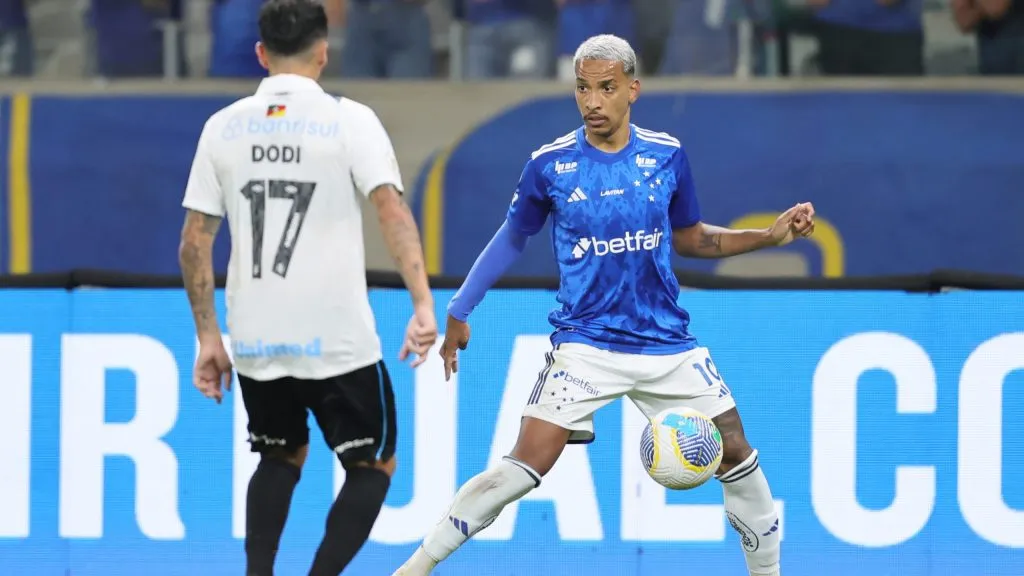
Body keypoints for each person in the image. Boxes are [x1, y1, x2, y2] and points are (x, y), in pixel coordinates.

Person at [392, 34, 815, 576]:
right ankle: (415, 569)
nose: (592, 101)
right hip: (586, 345)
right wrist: (460, 310)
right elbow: (511, 238)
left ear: (633, 90)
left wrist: (769, 236)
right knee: (523, 465)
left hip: (666, 344)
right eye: (583, 88)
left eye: (607, 88)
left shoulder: (667, 155)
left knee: (736, 451)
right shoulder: (550, 165)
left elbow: (692, 238)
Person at [177, 1, 437, 575]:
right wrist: (422, 303)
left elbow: (195, 242)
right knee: (374, 466)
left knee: (279, 453)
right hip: (336, 332)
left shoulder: (221, 127)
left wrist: (208, 337)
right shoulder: (350, 120)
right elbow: (391, 211)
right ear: (324, 50)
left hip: (256, 333)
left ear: (261, 55)